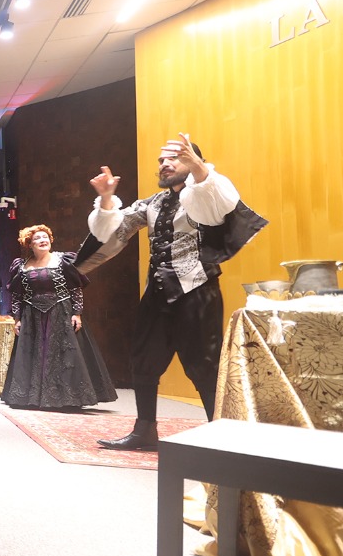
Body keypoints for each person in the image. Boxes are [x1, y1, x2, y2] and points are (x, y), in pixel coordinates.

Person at [80, 133, 267, 449]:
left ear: (194, 161)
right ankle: (145, 430)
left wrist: (199, 169)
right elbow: (114, 229)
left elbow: (220, 208)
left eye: (174, 158)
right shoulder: (152, 203)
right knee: (143, 361)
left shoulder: (205, 195)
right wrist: (108, 200)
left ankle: (220, 435)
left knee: (204, 366)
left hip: (197, 291)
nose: (164, 164)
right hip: (157, 293)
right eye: (161, 160)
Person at [0, 224, 117, 410]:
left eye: (45, 237)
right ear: (29, 244)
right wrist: (17, 318)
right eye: (37, 238)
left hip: (60, 312)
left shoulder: (63, 260)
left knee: (65, 355)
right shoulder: (21, 266)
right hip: (32, 316)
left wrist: (77, 313)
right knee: (34, 355)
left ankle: (67, 399)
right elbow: (17, 295)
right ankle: (34, 398)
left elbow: (75, 287)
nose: (42, 240)